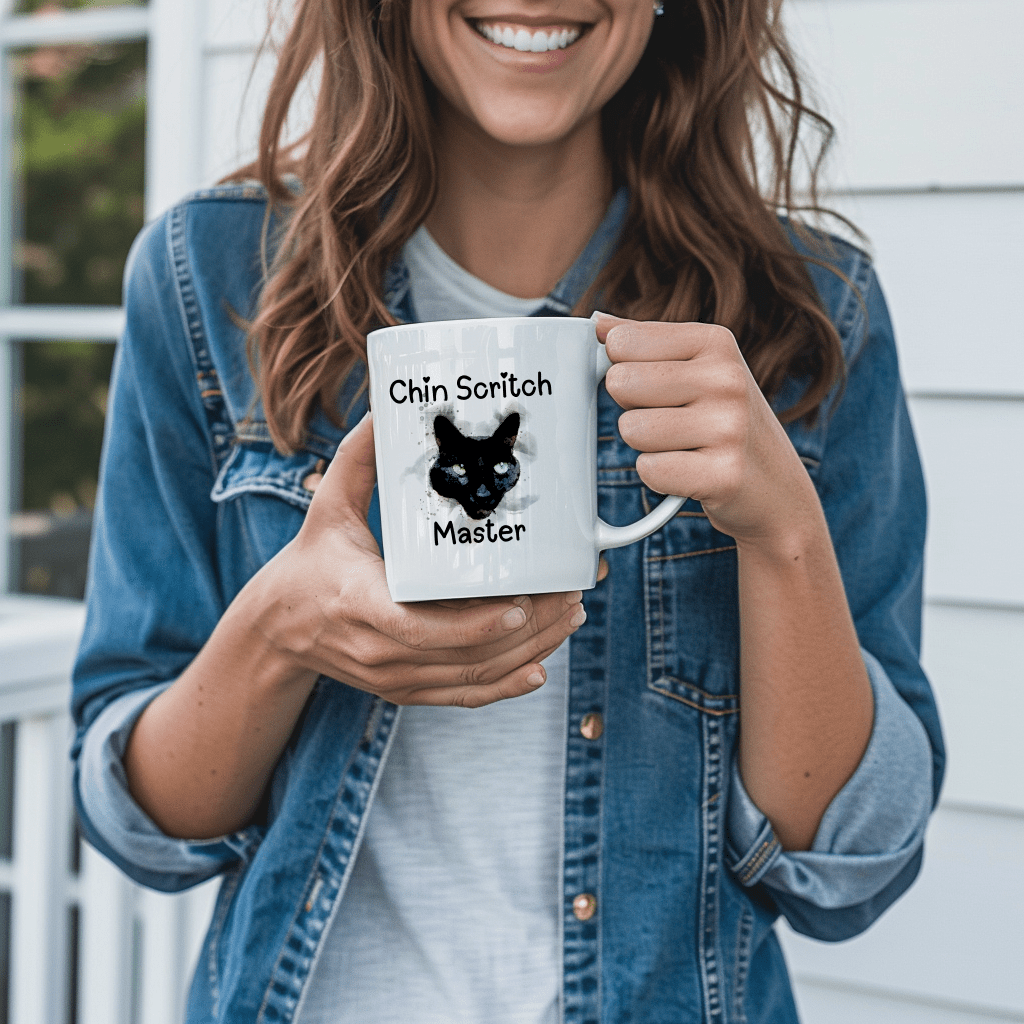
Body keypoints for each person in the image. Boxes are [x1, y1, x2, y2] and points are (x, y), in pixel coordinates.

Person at [70, 0, 944, 1020]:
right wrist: (280, 634)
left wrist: (781, 530)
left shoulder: (808, 307)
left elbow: (845, 872)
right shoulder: (207, 281)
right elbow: (142, 828)